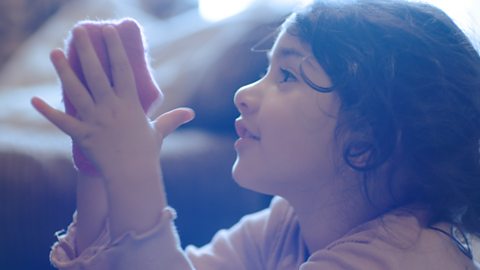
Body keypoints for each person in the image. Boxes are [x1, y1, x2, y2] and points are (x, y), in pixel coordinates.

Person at [31, 0, 480, 269]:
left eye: (286, 75)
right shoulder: (288, 222)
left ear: (369, 138)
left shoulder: (403, 257)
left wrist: (134, 175)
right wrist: (98, 172)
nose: (244, 93)